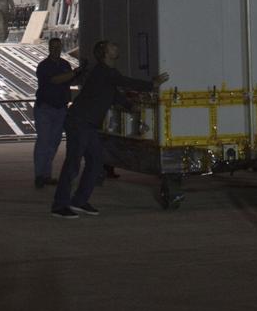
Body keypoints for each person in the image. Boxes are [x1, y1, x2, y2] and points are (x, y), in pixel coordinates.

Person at [51, 39, 168, 218]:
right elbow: (125, 82)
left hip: (88, 125)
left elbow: (114, 94)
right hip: (79, 122)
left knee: (96, 163)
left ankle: (79, 201)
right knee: (73, 163)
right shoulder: (104, 72)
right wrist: (151, 84)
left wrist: (131, 107)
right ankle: (59, 206)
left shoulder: (108, 74)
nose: (116, 47)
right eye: (112, 46)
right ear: (105, 53)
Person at [33, 38, 83, 188]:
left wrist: (79, 75)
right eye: (53, 47)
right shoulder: (44, 66)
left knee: (53, 143)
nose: (56, 49)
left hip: (60, 108)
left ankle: (46, 174)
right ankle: (40, 175)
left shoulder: (64, 64)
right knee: (43, 142)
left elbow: (69, 82)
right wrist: (75, 73)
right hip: (45, 108)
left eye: (58, 47)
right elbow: (55, 80)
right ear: (49, 48)